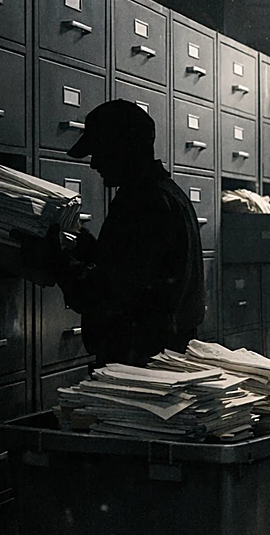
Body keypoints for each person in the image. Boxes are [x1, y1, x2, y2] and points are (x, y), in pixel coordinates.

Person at [15, 99, 205, 366]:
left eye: (98, 152)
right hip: (162, 351)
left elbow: (108, 294)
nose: (94, 164)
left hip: (140, 361)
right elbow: (136, 269)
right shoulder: (167, 194)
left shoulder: (143, 203)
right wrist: (90, 249)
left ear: (123, 149)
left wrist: (56, 262)